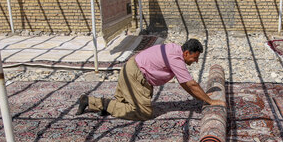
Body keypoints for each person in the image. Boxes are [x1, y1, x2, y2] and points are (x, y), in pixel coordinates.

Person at [76, 38, 226, 121]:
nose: (196, 61)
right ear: (186, 53)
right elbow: (190, 84)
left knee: (125, 104)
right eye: (195, 57)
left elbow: (185, 85)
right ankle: (94, 102)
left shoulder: (175, 49)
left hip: (132, 68)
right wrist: (210, 101)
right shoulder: (176, 59)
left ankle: (109, 107)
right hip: (134, 75)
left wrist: (202, 98)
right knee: (144, 113)